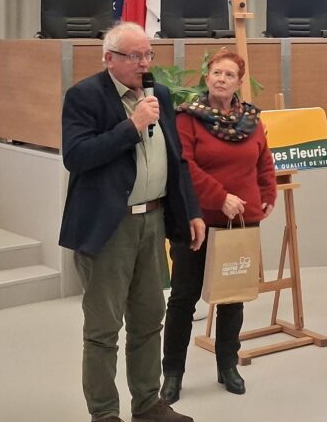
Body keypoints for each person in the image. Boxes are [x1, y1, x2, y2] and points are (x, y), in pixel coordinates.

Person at [59, 22, 206, 422]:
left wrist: (192, 210)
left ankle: (147, 404)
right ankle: (104, 413)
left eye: (148, 55)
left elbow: (177, 159)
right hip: (109, 228)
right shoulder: (85, 96)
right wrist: (132, 126)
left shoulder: (159, 94)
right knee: (104, 329)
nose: (144, 63)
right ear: (109, 58)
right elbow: (77, 156)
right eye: (134, 56)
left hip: (153, 221)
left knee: (148, 319)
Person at [161, 48, 277, 402]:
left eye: (229, 75)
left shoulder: (251, 120)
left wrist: (268, 193)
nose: (221, 79)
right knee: (183, 299)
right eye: (216, 73)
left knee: (232, 298)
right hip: (197, 221)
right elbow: (184, 165)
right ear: (207, 78)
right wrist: (219, 196)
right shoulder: (187, 117)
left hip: (240, 222)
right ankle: (173, 373)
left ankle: (228, 365)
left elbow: (263, 160)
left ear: (239, 83)